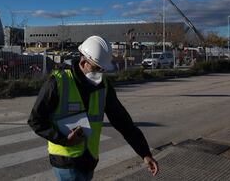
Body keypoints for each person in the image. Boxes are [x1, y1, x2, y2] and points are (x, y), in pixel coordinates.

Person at [28, 35, 158, 181]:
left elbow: (124, 123)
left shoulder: (104, 86)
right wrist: (63, 139)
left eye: (102, 69)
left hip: (89, 161)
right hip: (66, 161)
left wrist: (145, 154)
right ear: (83, 62)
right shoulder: (58, 82)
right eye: (96, 68)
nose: (100, 74)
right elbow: (36, 120)